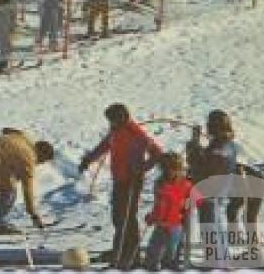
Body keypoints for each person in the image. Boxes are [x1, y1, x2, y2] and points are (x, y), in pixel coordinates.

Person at [79, 103, 163, 269]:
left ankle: (130, 254)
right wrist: (88, 159)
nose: (111, 124)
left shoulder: (137, 134)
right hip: (119, 180)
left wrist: (141, 168)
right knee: (118, 217)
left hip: (132, 181)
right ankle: (123, 249)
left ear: (122, 118)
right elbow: (104, 146)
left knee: (127, 218)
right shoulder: (115, 131)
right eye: (110, 121)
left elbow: (157, 153)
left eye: (113, 120)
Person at [187, 110, 264, 243]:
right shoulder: (228, 142)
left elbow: (202, 165)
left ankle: (216, 252)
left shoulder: (218, 145)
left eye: (209, 125)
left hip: (218, 188)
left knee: (213, 218)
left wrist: (194, 144)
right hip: (242, 183)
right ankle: (239, 241)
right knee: (235, 213)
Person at [0, 129, 54, 229]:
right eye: (43, 161)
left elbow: (6, 130)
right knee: (10, 189)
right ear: (41, 153)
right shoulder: (30, 158)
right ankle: (0, 221)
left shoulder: (23, 138)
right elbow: (27, 190)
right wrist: (33, 215)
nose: (40, 163)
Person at [144, 152, 196, 271]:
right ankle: (152, 265)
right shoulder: (159, 183)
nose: (168, 172)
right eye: (165, 168)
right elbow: (158, 204)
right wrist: (152, 217)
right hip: (160, 225)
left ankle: (172, 264)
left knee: (171, 255)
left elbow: (196, 200)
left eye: (172, 169)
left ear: (178, 169)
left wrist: (186, 208)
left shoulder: (185, 184)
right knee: (153, 253)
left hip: (175, 225)